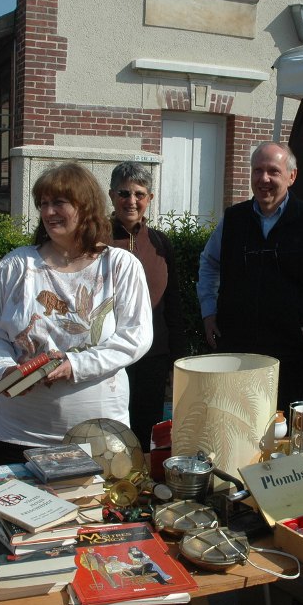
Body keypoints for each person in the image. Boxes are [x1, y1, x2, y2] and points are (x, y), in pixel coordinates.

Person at [0, 162, 153, 465]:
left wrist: (74, 365)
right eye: (43, 203)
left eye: (59, 202)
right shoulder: (17, 265)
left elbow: (136, 336)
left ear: (85, 207)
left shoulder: (120, 265)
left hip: (97, 435)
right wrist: (3, 370)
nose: (49, 211)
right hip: (19, 432)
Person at [197, 141, 303, 409]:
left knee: (286, 428)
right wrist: (208, 312)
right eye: (257, 170)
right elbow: (208, 264)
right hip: (238, 355)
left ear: (291, 176)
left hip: (294, 359)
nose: (264, 179)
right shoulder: (233, 220)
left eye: (273, 171)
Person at [108, 161, 188, 450]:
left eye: (139, 194)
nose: (131, 201)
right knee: (111, 437)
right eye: (124, 193)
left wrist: (177, 360)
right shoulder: (96, 240)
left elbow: (173, 304)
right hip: (111, 359)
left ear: (150, 198)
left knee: (146, 437)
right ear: (111, 196)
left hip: (153, 358)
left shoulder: (160, 243)